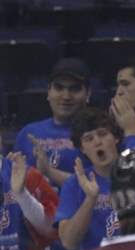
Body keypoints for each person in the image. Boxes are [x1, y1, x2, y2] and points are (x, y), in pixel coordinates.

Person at [14, 58, 92, 188]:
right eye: (59, 87)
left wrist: (49, 172)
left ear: (88, 93)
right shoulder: (27, 133)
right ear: (48, 92)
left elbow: (99, 188)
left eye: (74, 89)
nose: (66, 96)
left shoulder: (98, 134)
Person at [55, 108, 122, 250]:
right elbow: (68, 242)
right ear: (82, 148)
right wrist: (90, 199)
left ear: (116, 138)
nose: (97, 142)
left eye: (103, 134)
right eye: (88, 139)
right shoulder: (74, 184)